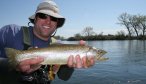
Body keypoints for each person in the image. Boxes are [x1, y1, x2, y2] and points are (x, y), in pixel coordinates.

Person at [0, 0, 95, 84]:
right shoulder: (10, 32)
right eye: (43, 16)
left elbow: (64, 77)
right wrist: (12, 65)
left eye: (53, 18)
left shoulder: (60, 45)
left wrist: (70, 65)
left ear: (57, 23)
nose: (48, 21)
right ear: (35, 18)